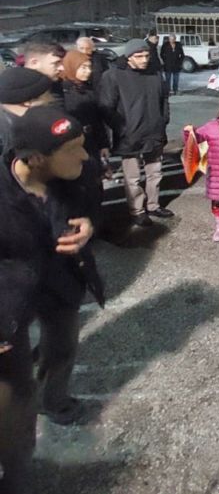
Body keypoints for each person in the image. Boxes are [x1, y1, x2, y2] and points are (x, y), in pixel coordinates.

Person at [0, 107, 100, 490]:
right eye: (73, 149)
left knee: (62, 346)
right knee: (16, 392)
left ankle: (55, 402)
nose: (85, 155)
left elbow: (92, 207)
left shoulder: (78, 172)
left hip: (61, 282)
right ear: (36, 159)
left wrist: (89, 226)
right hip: (9, 306)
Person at [99, 39, 172, 227]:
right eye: (139, 56)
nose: (144, 59)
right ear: (128, 57)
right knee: (133, 177)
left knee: (155, 172)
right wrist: (121, 128)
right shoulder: (113, 75)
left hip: (154, 131)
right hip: (129, 135)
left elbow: (164, 99)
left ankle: (154, 205)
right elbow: (106, 107)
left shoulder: (154, 73)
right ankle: (137, 210)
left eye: (147, 55)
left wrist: (163, 120)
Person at [59, 51, 110, 222]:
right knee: (79, 187)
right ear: (71, 67)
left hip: (92, 144)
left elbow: (98, 121)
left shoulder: (88, 91)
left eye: (89, 67)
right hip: (72, 147)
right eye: (83, 67)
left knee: (95, 185)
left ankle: (96, 223)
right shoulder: (61, 93)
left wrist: (104, 145)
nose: (87, 71)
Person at [183, 96, 219, 242]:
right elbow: (197, 138)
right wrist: (190, 132)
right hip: (216, 172)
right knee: (217, 201)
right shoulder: (211, 126)